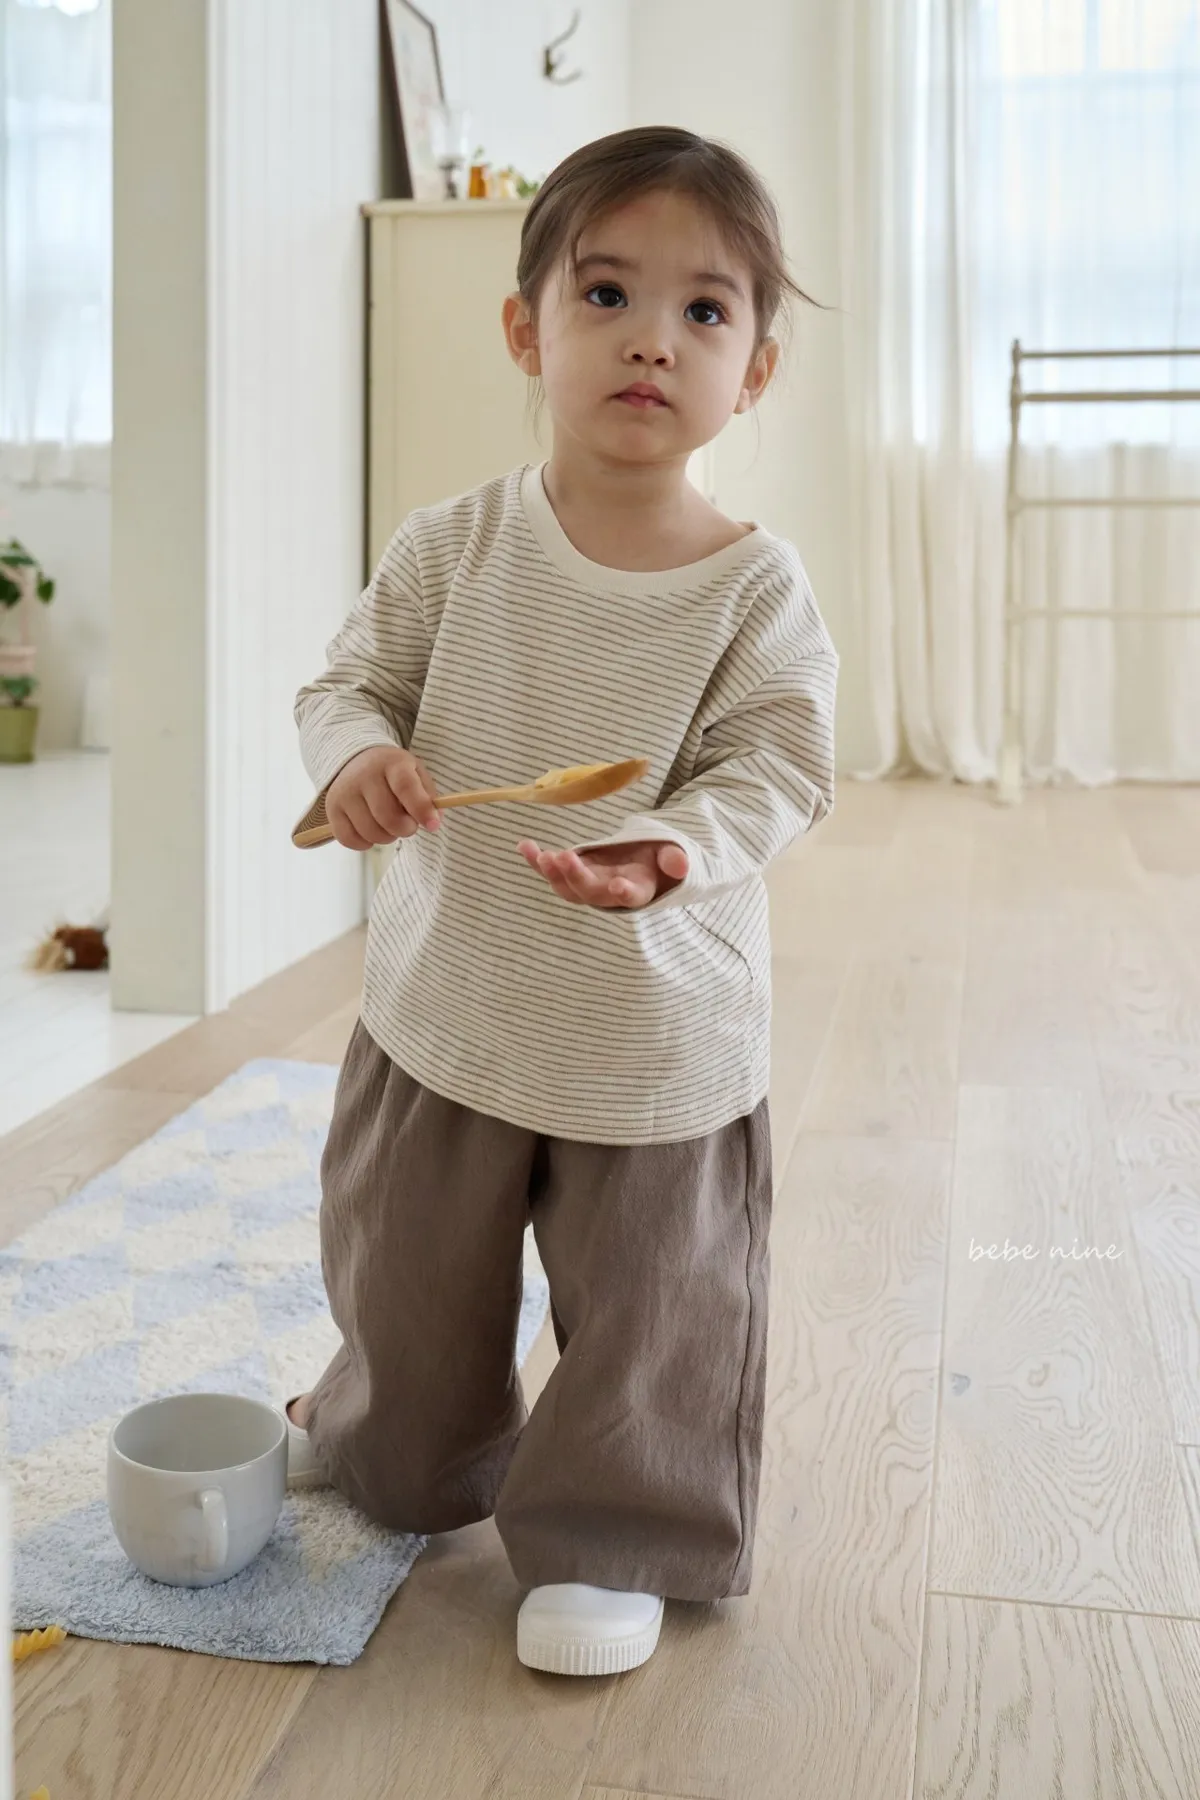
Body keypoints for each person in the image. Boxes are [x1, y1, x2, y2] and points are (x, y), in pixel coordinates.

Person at [287, 124, 839, 1679]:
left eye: (704, 310)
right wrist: (362, 759)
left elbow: (779, 770)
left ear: (755, 370)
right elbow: (348, 684)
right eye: (607, 294)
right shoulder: (452, 545)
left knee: (657, 1316)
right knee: (403, 1280)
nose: (653, 338)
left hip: (656, 1047)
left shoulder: (755, 590)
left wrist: (674, 849)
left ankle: (617, 1535)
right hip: (450, 1011)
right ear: (527, 331)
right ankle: (395, 1445)